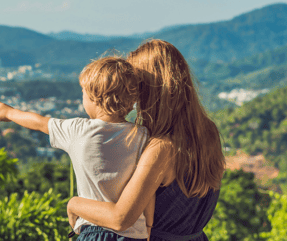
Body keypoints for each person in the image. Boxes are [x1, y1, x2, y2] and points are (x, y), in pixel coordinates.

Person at [67, 40, 226, 241]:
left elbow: (120, 218)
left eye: (134, 85)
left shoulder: (161, 148)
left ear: (148, 89)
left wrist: (74, 204)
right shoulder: (208, 132)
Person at [0, 56, 153, 241]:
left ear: (94, 97)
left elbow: (39, 123)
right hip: (134, 234)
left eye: (83, 92)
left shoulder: (78, 130)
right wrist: (148, 226)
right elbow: (148, 189)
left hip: (94, 230)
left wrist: (8, 112)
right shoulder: (142, 136)